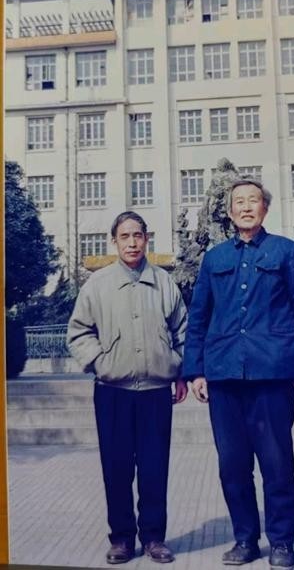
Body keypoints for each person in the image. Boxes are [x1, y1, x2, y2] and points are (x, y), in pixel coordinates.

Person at [183, 179, 294, 569]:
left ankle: (282, 542)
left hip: (272, 374)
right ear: (229, 212)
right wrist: (195, 370)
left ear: (265, 208)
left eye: (253, 201)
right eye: (239, 202)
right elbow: (199, 316)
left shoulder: (287, 252)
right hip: (224, 374)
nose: (246, 207)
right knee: (232, 465)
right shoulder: (214, 258)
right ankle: (245, 539)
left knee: (277, 463)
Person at [67, 211, 187, 565]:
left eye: (138, 235)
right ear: (114, 241)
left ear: (146, 239)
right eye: (125, 236)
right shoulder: (98, 285)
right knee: (116, 468)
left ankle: (154, 538)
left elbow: (183, 330)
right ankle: (120, 539)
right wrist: (100, 362)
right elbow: (79, 332)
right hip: (112, 391)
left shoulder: (164, 282)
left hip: (155, 392)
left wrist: (178, 369)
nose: (132, 243)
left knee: (154, 468)